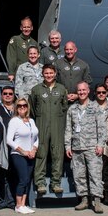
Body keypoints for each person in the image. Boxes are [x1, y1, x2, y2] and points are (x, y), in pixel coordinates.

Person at [65, 81, 104, 213]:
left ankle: (97, 200)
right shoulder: (72, 109)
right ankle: (84, 199)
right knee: (79, 175)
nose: (81, 93)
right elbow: (68, 129)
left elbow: (102, 128)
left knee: (95, 174)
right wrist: (67, 146)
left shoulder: (96, 107)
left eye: (83, 90)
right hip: (77, 147)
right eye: (79, 91)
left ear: (88, 91)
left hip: (92, 147)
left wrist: (100, 144)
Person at [30, 63, 68, 195]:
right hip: (41, 125)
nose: (49, 75)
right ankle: (40, 182)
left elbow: (64, 108)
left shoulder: (62, 89)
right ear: (42, 74)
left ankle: (56, 183)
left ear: (55, 74)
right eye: (46, 73)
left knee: (57, 154)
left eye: (51, 73)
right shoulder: (36, 90)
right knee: (41, 153)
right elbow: (33, 108)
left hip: (57, 125)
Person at [6, 98, 38, 214]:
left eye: (24, 105)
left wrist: (34, 149)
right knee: (23, 179)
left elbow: (35, 138)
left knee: (27, 180)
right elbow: (9, 140)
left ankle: (24, 204)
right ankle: (18, 205)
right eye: (19, 106)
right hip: (18, 154)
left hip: (31, 154)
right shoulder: (14, 121)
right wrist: (22, 151)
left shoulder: (31, 121)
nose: (22, 107)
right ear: (16, 108)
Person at [5, 16, 38, 82]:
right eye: (24, 27)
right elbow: (11, 58)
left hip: (31, 74)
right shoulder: (15, 40)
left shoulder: (34, 43)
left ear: (32, 28)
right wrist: (11, 73)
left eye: (28, 27)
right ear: (21, 28)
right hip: (19, 73)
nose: (26, 29)